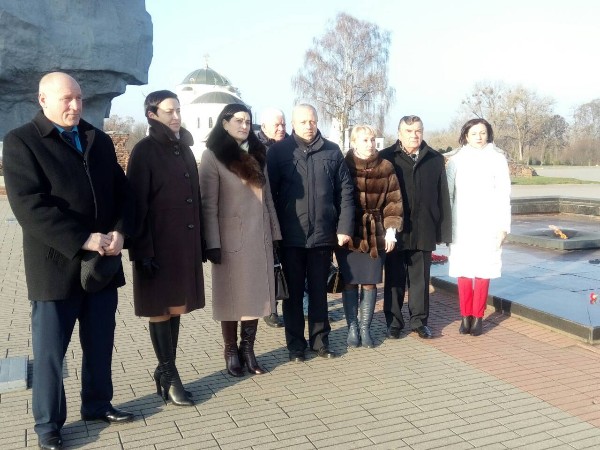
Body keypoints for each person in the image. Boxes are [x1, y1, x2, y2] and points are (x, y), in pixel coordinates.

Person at [2, 72, 135, 450]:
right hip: (54, 268)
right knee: (50, 354)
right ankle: (48, 426)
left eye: (79, 98)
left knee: (100, 342)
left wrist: (120, 232)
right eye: (66, 99)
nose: (76, 106)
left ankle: (97, 404)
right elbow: (29, 207)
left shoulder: (98, 139)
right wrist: (83, 238)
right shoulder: (22, 142)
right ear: (42, 100)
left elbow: (124, 194)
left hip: (102, 266)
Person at [126, 90, 205, 406]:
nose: (176, 116)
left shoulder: (182, 148)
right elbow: (136, 205)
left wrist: (201, 243)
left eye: (178, 110)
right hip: (156, 248)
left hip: (181, 247)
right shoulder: (145, 151)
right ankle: (170, 375)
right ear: (152, 114)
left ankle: (165, 370)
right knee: (160, 310)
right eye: (169, 111)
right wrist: (142, 252)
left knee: (176, 307)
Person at [199, 103, 281, 377]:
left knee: (255, 295)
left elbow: (267, 197)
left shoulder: (258, 152)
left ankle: (248, 349)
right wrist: (212, 243)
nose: (244, 125)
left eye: (247, 121)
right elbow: (208, 204)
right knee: (231, 297)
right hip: (230, 238)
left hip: (260, 236)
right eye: (238, 120)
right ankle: (231, 350)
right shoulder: (213, 156)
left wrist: (275, 232)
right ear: (224, 123)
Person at [267, 103, 354, 361]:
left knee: (318, 292)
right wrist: (273, 233)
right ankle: (295, 346)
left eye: (312, 121)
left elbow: (345, 192)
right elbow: (270, 196)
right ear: (294, 124)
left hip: (323, 236)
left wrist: (344, 228)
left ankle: (320, 342)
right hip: (291, 237)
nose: (309, 126)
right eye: (303, 122)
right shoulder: (279, 152)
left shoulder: (332, 151)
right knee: (293, 295)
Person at [380, 115, 452, 340]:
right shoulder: (386, 157)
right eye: (409, 131)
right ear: (399, 133)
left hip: (424, 227)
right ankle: (393, 322)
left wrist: (444, 231)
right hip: (396, 230)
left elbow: (443, 196)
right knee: (394, 279)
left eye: (418, 131)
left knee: (420, 280)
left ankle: (419, 322)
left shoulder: (435, 159)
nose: (414, 135)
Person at [336, 125, 403, 348]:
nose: (370, 144)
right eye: (364, 140)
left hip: (375, 233)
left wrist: (391, 231)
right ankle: (352, 328)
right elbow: (336, 199)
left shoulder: (386, 166)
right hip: (350, 231)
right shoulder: (344, 164)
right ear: (354, 142)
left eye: (372, 140)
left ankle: (365, 328)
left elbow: (393, 202)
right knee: (349, 282)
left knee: (370, 282)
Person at [446, 118, 511, 336]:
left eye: (482, 133)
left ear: (488, 134)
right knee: (463, 270)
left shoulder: (497, 159)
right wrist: (447, 226)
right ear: (466, 136)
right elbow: (448, 195)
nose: (479, 137)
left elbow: (504, 194)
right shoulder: (456, 160)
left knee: (483, 270)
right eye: (474, 133)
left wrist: (503, 226)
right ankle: (465, 316)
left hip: (487, 223)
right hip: (462, 223)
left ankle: (478, 316)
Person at [257, 107, 288, 328]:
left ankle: (302, 305)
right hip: (268, 213)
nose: (281, 128)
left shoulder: (291, 145)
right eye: (276, 125)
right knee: (271, 265)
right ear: (264, 127)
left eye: (283, 124)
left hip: (290, 213)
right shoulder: (257, 150)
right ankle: (270, 308)